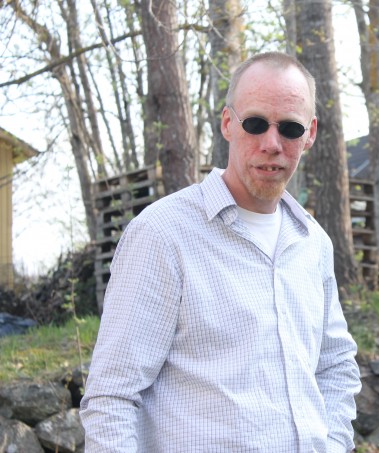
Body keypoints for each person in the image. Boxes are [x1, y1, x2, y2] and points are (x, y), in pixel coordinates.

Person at [80, 51, 362, 452]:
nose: (272, 144)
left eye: (290, 128)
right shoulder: (163, 234)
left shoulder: (313, 243)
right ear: (228, 123)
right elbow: (112, 397)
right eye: (255, 123)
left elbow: (335, 365)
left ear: (310, 133)